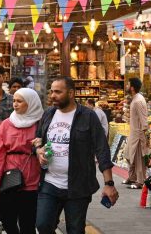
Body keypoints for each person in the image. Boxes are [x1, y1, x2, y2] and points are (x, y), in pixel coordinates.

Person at [34, 77, 118, 234]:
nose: (52, 95)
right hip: (49, 183)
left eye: (58, 92)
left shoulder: (88, 116)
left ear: (71, 93)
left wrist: (109, 183)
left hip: (78, 186)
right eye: (52, 91)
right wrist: (38, 149)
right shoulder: (48, 114)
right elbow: (37, 138)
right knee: (43, 225)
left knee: (75, 230)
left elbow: (102, 149)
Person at [0, 88, 44, 234]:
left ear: (31, 103)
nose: (15, 104)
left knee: (28, 223)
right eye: (14, 100)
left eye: (20, 101)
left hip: (32, 180)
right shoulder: (6, 124)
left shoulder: (40, 124)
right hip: (9, 180)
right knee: (7, 221)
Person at [124, 78, 148, 188]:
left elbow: (143, 119)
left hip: (138, 134)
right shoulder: (135, 98)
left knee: (138, 158)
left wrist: (144, 135)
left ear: (132, 88)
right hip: (133, 133)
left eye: (128, 84)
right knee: (128, 155)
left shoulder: (138, 100)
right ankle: (132, 177)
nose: (126, 86)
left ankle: (140, 181)